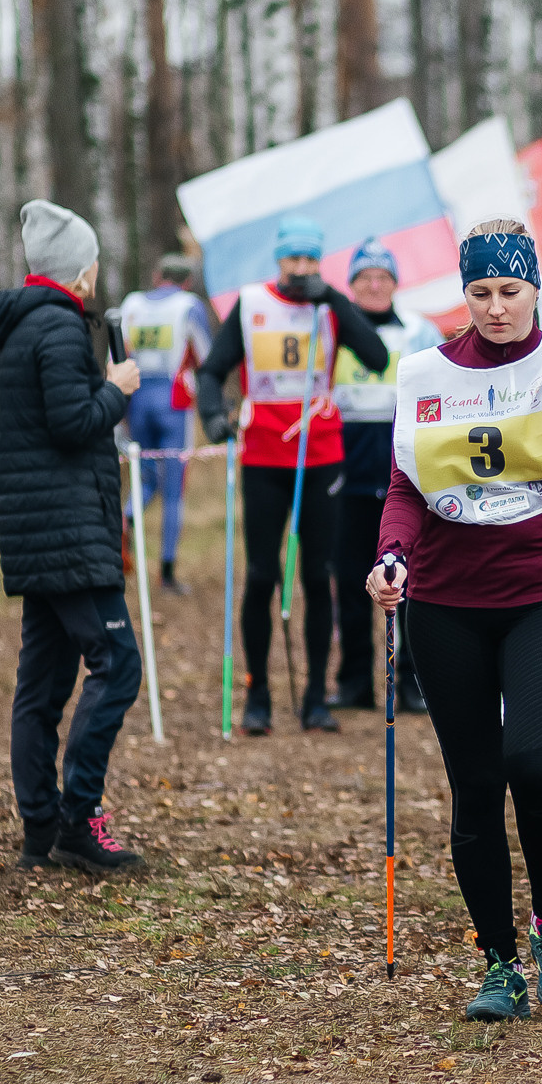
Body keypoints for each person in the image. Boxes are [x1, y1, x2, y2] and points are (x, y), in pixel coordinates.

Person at [367, 218, 542, 1022]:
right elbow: (408, 487)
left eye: (509, 291)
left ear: (536, 290)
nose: (494, 308)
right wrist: (392, 556)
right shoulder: (424, 373)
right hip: (446, 604)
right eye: (478, 292)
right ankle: (498, 960)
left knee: (530, 763)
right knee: (475, 786)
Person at [0, 200, 146, 875]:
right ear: (79, 270)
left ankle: (39, 832)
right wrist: (116, 389)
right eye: (93, 261)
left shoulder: (27, 324)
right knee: (118, 667)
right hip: (69, 534)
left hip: (43, 532)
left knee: (43, 687)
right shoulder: (55, 327)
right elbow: (71, 421)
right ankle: (79, 820)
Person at [194, 215, 391, 732]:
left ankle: (315, 698)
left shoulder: (329, 308)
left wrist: (336, 300)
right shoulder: (253, 304)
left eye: (310, 260)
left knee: (316, 574)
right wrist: (213, 415)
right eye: (293, 260)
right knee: (261, 575)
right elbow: (211, 370)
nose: (301, 270)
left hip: (321, 453)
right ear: (278, 260)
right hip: (263, 456)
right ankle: (258, 694)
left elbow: (376, 356)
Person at [331, 240, 443, 711]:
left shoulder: (420, 330)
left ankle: (415, 682)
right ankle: (354, 681)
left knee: (413, 581)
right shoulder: (333, 329)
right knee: (351, 578)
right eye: (364, 278)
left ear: (396, 283)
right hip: (345, 470)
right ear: (352, 286)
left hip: (404, 471)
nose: (374, 286)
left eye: (383, 277)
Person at [116, 255, 214, 593]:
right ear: (186, 280)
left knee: (145, 478)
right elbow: (208, 357)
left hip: (137, 399)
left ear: (157, 276)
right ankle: (168, 572)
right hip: (173, 402)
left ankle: (125, 518)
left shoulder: (133, 304)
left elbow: (117, 357)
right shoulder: (189, 305)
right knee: (173, 488)